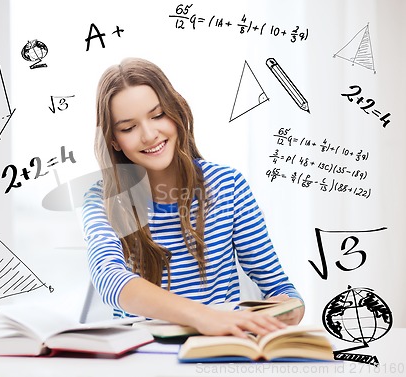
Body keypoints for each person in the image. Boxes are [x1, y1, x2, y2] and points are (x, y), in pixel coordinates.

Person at [81, 57, 304, 338]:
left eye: (158, 115)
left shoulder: (227, 185)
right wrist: (204, 317)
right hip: (145, 356)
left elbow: (282, 291)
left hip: (221, 350)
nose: (149, 135)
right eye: (128, 128)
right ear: (113, 140)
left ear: (176, 112)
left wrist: (279, 313)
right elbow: (110, 279)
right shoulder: (102, 200)